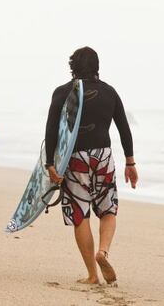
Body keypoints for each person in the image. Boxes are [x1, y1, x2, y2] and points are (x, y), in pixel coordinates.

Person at [45, 47, 138, 285]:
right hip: (103, 156)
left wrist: (49, 163)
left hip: (75, 158)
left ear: (72, 67)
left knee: (80, 215)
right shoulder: (109, 92)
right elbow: (124, 129)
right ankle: (103, 252)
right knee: (108, 210)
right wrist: (130, 162)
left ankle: (92, 275)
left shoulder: (62, 92)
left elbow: (51, 130)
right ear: (97, 66)